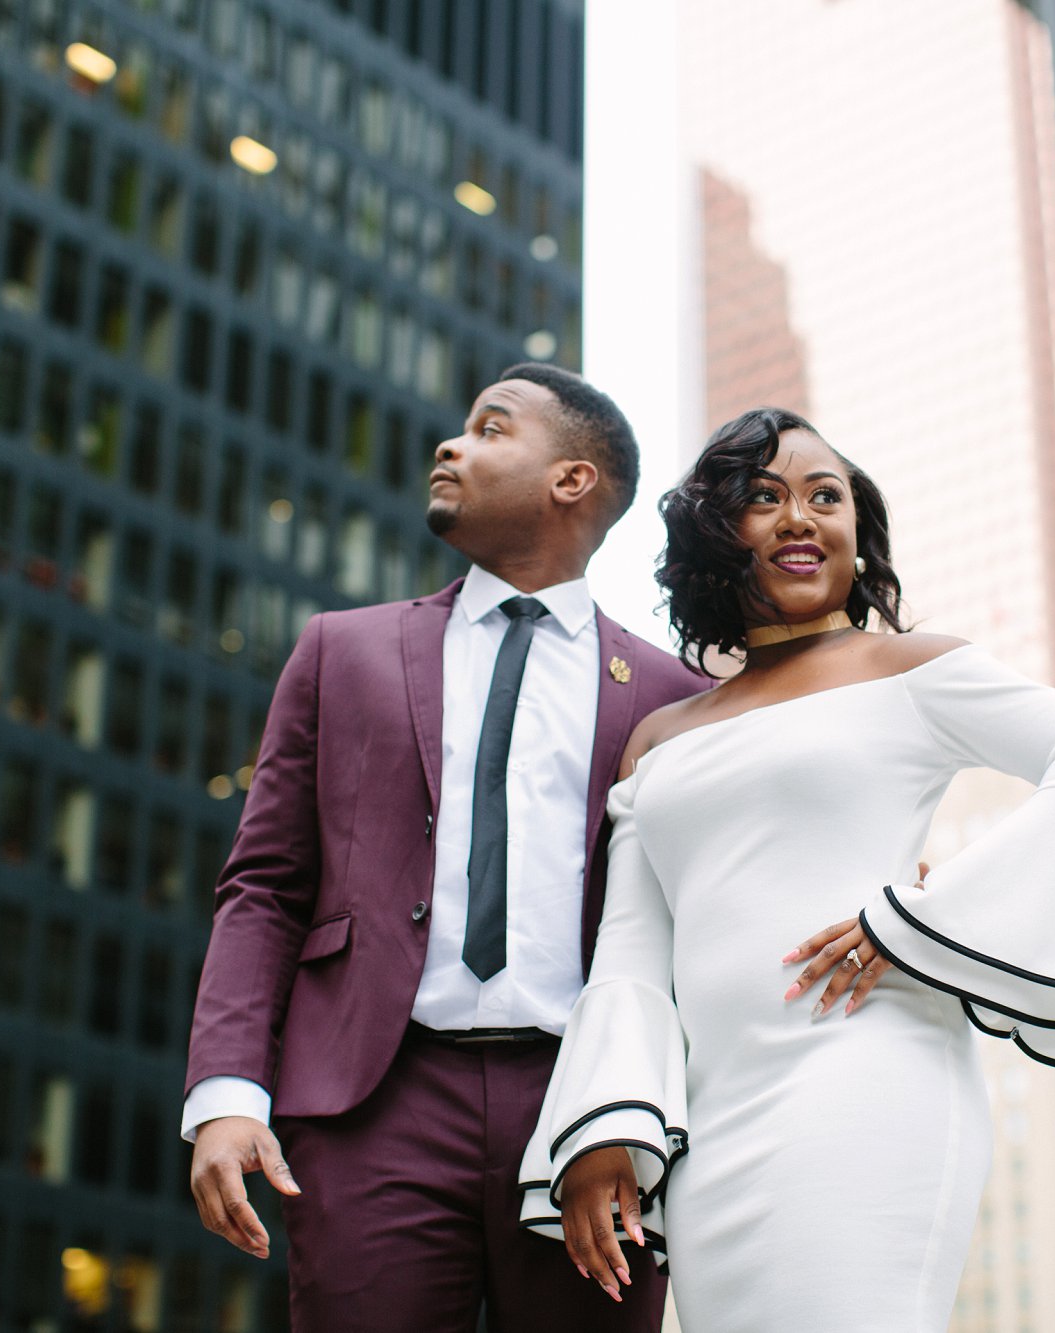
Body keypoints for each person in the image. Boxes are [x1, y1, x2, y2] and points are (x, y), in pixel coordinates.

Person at [517, 407, 1055, 1330]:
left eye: (827, 497)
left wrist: (926, 921)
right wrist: (605, 1127)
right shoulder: (659, 739)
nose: (801, 518)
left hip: (868, 1076)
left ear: (859, 534)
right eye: (764, 497)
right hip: (715, 1121)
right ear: (713, 528)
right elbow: (629, 948)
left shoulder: (913, 669)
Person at [182, 364, 707, 1333]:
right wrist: (224, 1090)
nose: (449, 445)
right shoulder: (342, 651)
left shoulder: (673, 698)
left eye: (489, 429)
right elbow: (262, 886)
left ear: (571, 480)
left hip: (589, 1108)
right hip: (374, 1102)